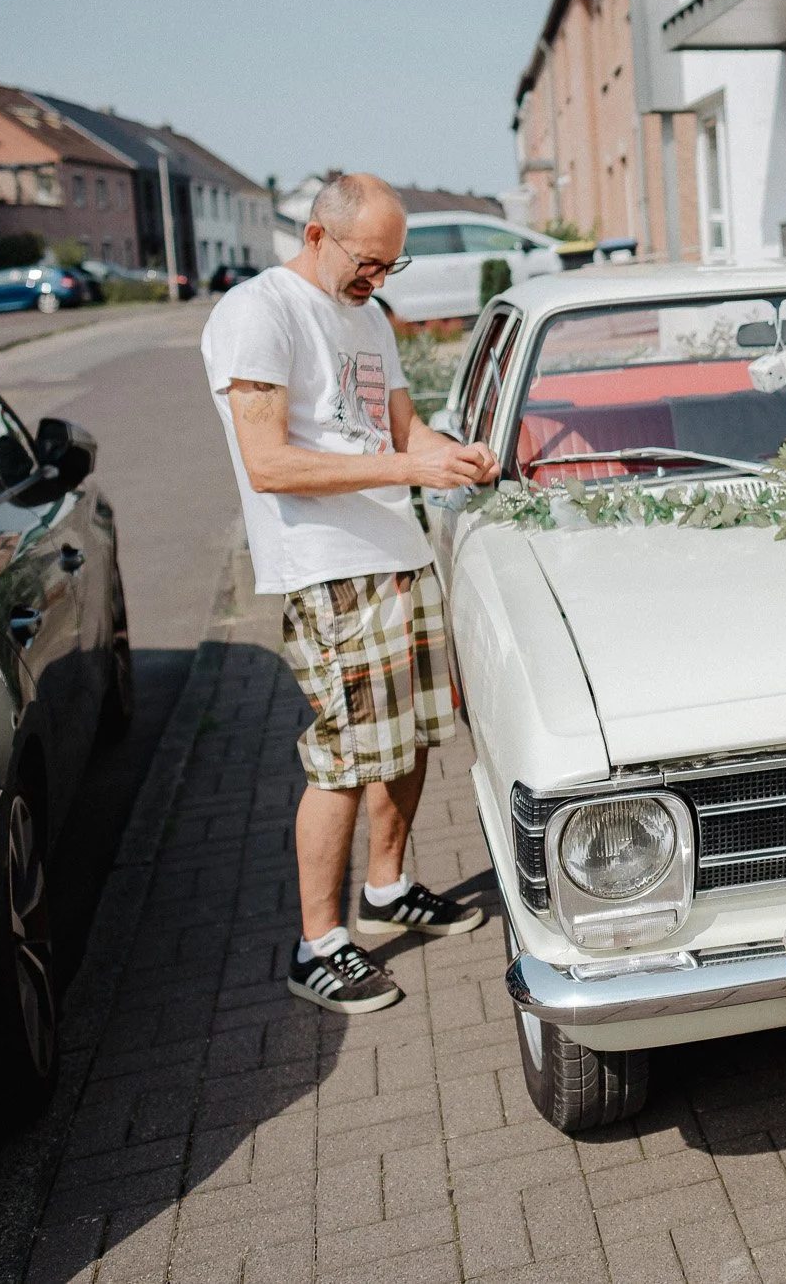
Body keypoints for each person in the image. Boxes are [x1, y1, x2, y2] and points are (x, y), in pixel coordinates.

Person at [201, 172, 501, 1014]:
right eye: (369, 261)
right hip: (325, 567)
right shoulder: (257, 314)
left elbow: (402, 427)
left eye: (390, 266)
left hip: (395, 551)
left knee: (409, 739)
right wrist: (409, 466)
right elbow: (269, 465)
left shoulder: (368, 315)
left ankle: (387, 885)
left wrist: (454, 454)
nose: (377, 279)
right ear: (315, 233)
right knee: (342, 758)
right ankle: (318, 943)